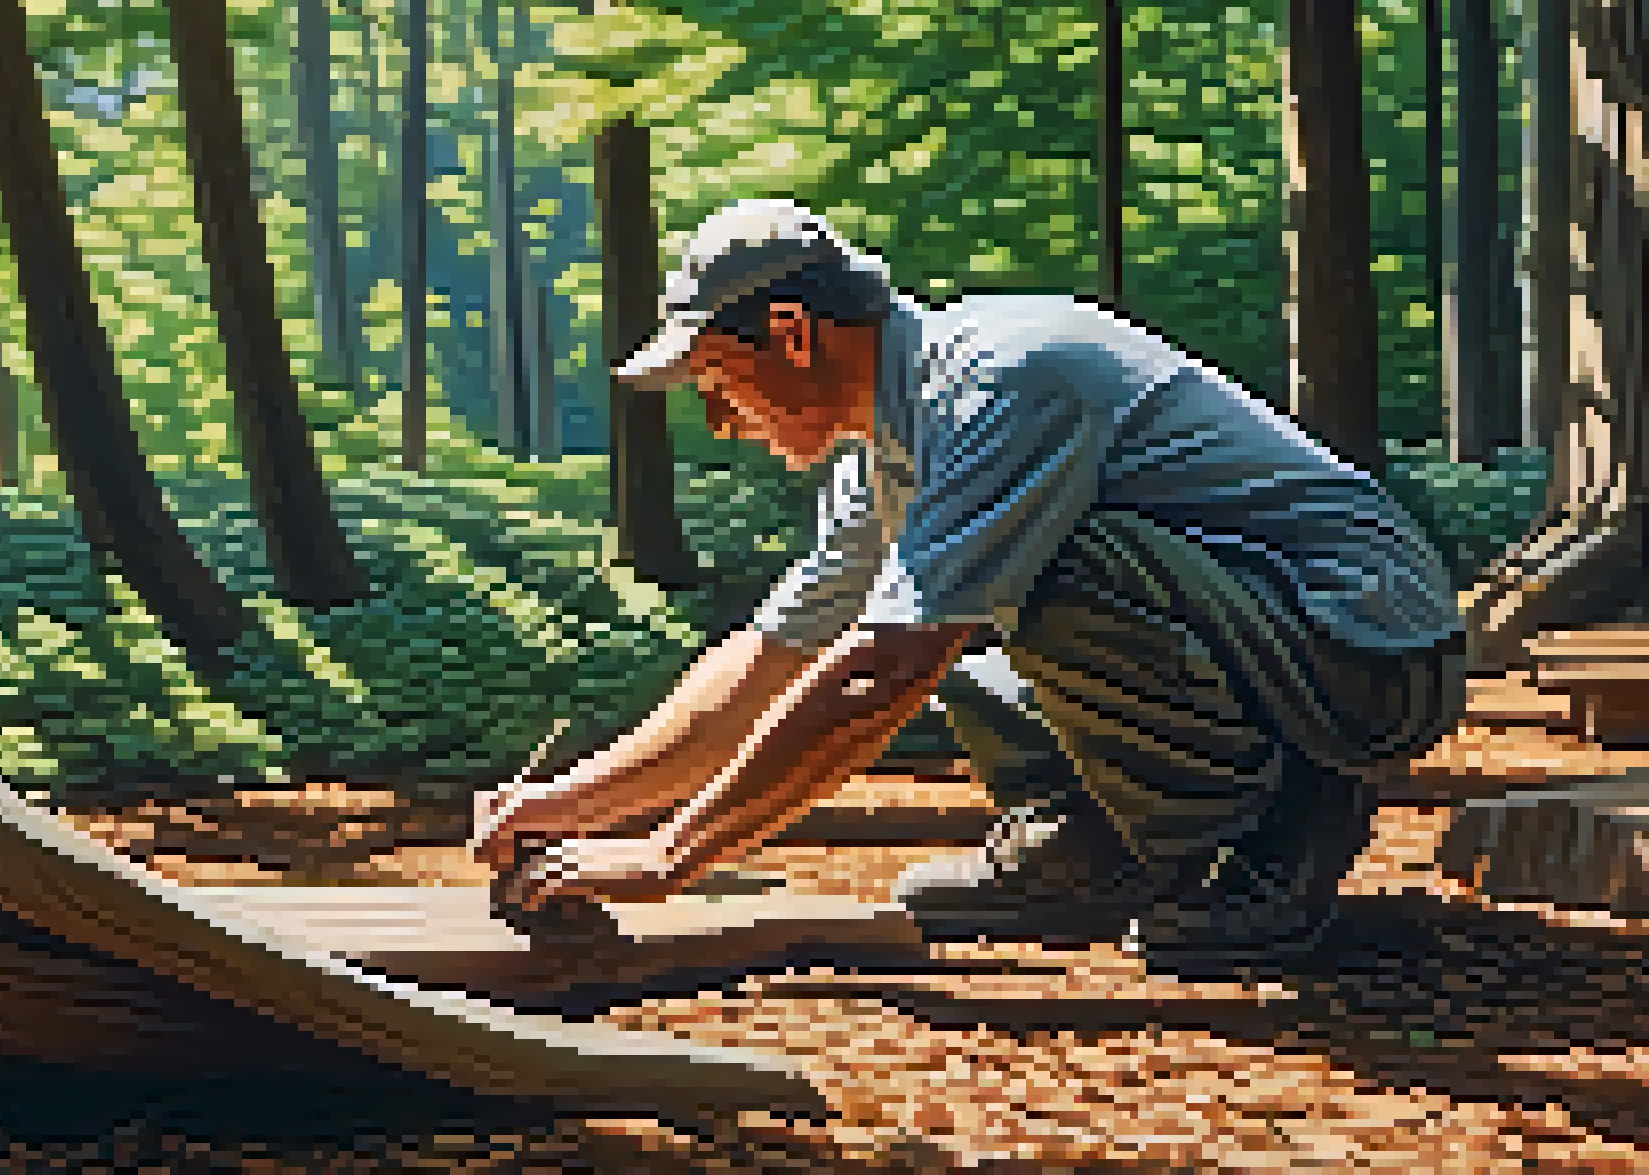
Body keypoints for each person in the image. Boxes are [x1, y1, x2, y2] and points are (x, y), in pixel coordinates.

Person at [470, 199, 1465, 976]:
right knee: (926, 605)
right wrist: (573, 806)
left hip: (1364, 658)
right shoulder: (891, 454)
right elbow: (772, 661)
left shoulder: (997, 380)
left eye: (721, 384)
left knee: (1001, 589)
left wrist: (670, 858)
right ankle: (1104, 842)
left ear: (791, 330)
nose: (723, 422)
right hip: (1271, 636)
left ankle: (1263, 837)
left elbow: (880, 676)